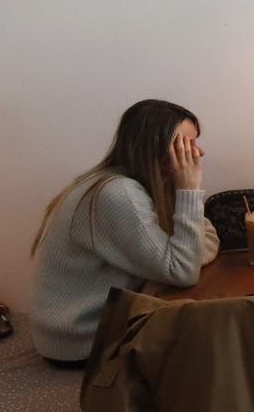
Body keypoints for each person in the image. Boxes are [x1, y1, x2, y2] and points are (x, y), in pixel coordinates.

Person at [29, 99, 219, 365]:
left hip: (98, 327)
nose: (197, 153)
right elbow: (184, 271)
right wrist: (188, 191)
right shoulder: (116, 193)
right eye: (185, 145)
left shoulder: (142, 186)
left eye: (195, 143)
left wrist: (183, 256)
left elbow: (207, 242)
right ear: (153, 146)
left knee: (216, 330)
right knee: (217, 342)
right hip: (80, 341)